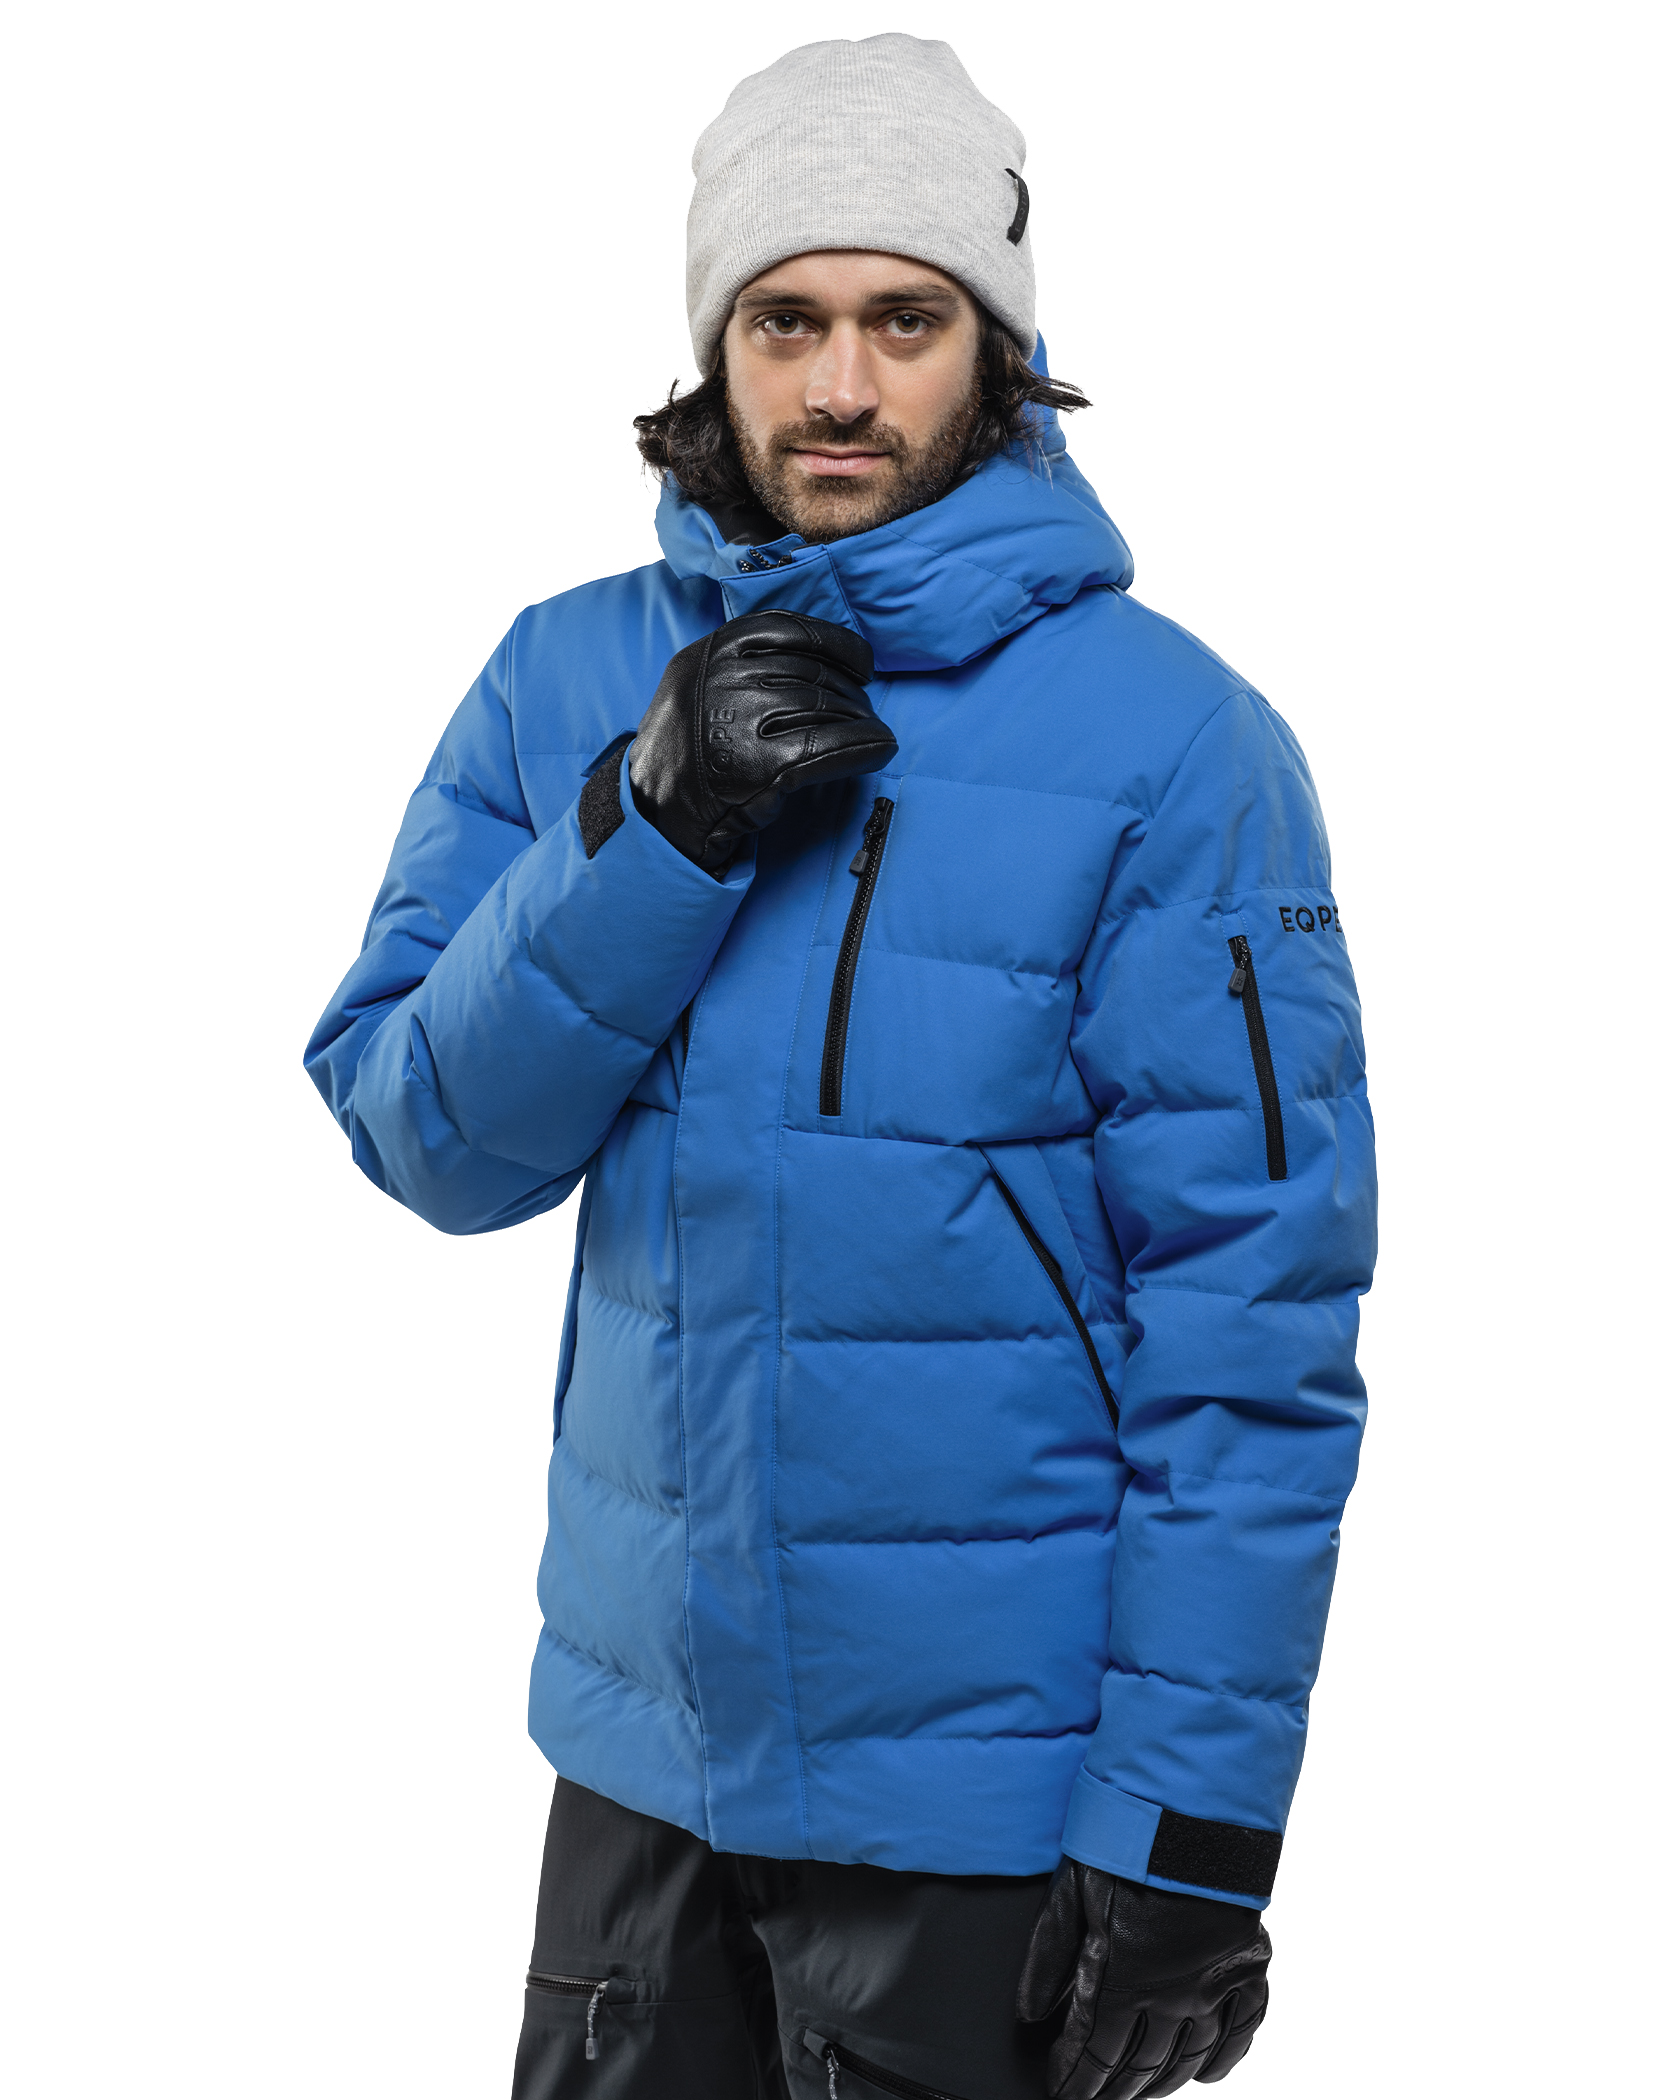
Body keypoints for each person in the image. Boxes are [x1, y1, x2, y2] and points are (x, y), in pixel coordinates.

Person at [304, 33, 1377, 2100]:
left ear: (1000, 350)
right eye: (784, 320)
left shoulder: (1180, 749)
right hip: (639, 1776)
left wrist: (1191, 1831)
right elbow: (429, 1137)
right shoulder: (567, 676)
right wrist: (653, 827)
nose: (841, 386)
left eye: (907, 318)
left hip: (986, 1818)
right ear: (715, 348)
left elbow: (1253, 1327)